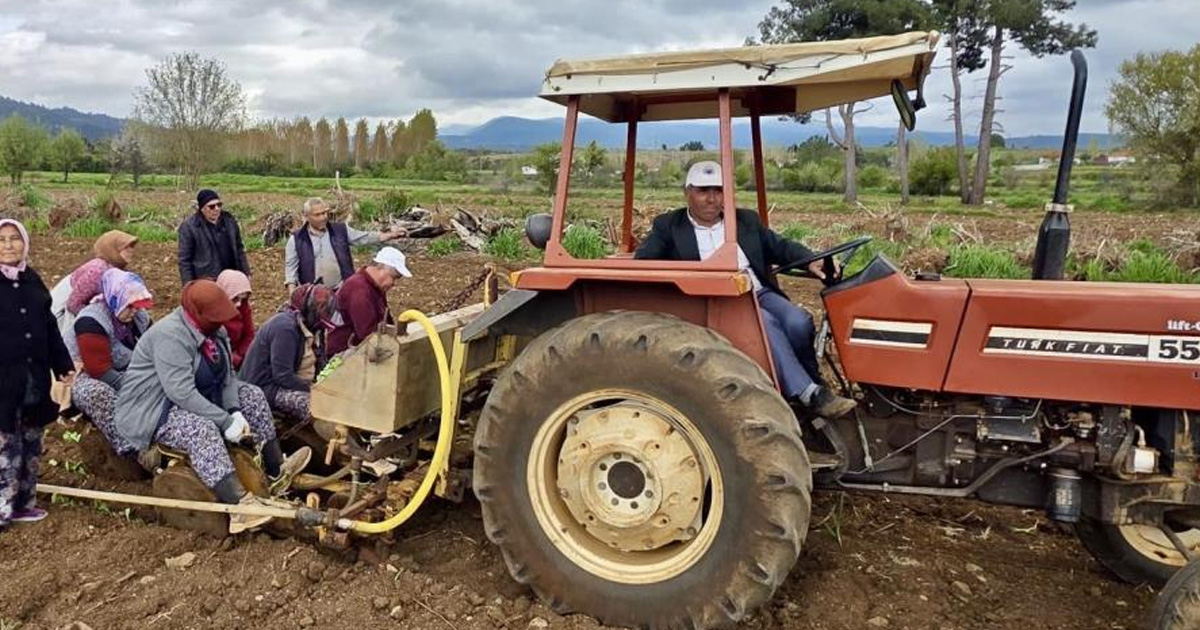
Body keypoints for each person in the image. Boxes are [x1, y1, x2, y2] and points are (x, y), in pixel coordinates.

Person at [634, 160, 856, 418]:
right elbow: (645, 262)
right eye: (703, 191)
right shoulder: (669, 226)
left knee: (798, 321)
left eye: (718, 191)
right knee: (766, 324)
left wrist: (812, 259)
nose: (712, 199)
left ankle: (813, 381)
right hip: (717, 302)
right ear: (687, 193)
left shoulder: (745, 221)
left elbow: (780, 246)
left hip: (758, 292)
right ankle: (808, 394)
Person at [114, 280, 310, 534]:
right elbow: (181, 392)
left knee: (251, 394)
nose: (221, 323)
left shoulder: (215, 331)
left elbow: (228, 375)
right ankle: (239, 506)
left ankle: (276, 472)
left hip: (201, 391)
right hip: (153, 406)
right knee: (201, 429)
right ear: (197, 314)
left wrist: (234, 410)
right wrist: (224, 421)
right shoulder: (169, 336)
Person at [0, 219, 75, 530]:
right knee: (5, 445)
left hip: (33, 379)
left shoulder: (34, 282)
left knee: (31, 441)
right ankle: (2, 507)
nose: (8, 245)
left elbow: (50, 330)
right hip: (3, 382)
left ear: (25, 243)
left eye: (14, 239)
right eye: (1, 239)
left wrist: (63, 365)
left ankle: (23, 504)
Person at [65, 268, 154, 456]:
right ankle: (130, 445)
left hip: (127, 372)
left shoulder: (140, 317)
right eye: (130, 306)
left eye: (138, 305)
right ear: (115, 299)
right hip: (85, 375)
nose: (135, 310)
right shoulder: (91, 321)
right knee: (97, 393)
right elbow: (101, 372)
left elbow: (155, 347)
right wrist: (141, 389)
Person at [240, 284, 337, 425]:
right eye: (322, 308)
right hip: (266, 388)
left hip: (293, 382)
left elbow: (320, 360)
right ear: (310, 308)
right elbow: (282, 376)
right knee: (317, 406)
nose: (326, 313)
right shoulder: (285, 329)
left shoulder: (315, 326)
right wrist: (315, 389)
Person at [284, 197, 405, 291]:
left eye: (324, 213)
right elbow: (291, 271)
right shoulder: (296, 240)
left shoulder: (340, 230)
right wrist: (294, 295)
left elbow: (363, 237)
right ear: (306, 216)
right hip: (313, 294)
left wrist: (389, 235)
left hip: (342, 290)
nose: (323, 217)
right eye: (317, 215)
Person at [326, 247, 411, 356]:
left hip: (360, 347)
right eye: (393, 278)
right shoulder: (358, 289)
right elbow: (368, 334)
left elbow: (385, 321)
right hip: (344, 352)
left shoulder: (375, 287)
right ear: (381, 269)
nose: (393, 283)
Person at [178, 189, 251, 284]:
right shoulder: (189, 227)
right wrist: (189, 284)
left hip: (232, 276)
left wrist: (245, 272)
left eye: (219, 205)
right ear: (202, 208)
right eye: (211, 206)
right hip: (207, 280)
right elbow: (185, 260)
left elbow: (239, 248)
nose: (216, 209)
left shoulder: (229, 221)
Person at [216, 270, 255, 371]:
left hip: (239, 356)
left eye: (243, 299)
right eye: (235, 299)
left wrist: (240, 354)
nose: (239, 304)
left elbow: (249, 334)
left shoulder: (244, 307)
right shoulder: (213, 313)